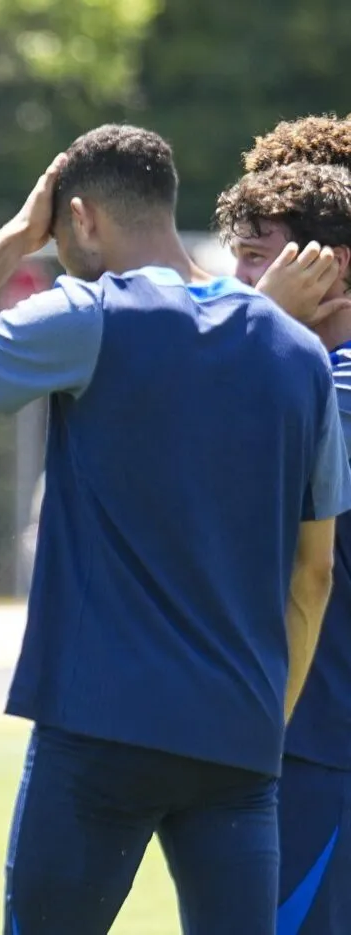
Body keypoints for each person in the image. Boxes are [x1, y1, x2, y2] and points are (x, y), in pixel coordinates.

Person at [0, 124, 351, 935]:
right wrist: (269, 715)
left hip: (99, 727)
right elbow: (314, 575)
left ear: (83, 219)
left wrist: (14, 238)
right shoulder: (294, 352)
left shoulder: (90, 315)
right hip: (240, 737)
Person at [216, 132, 351, 935]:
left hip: (321, 743)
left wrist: (254, 326)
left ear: (330, 263)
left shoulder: (333, 387)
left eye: (257, 257)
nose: (241, 282)